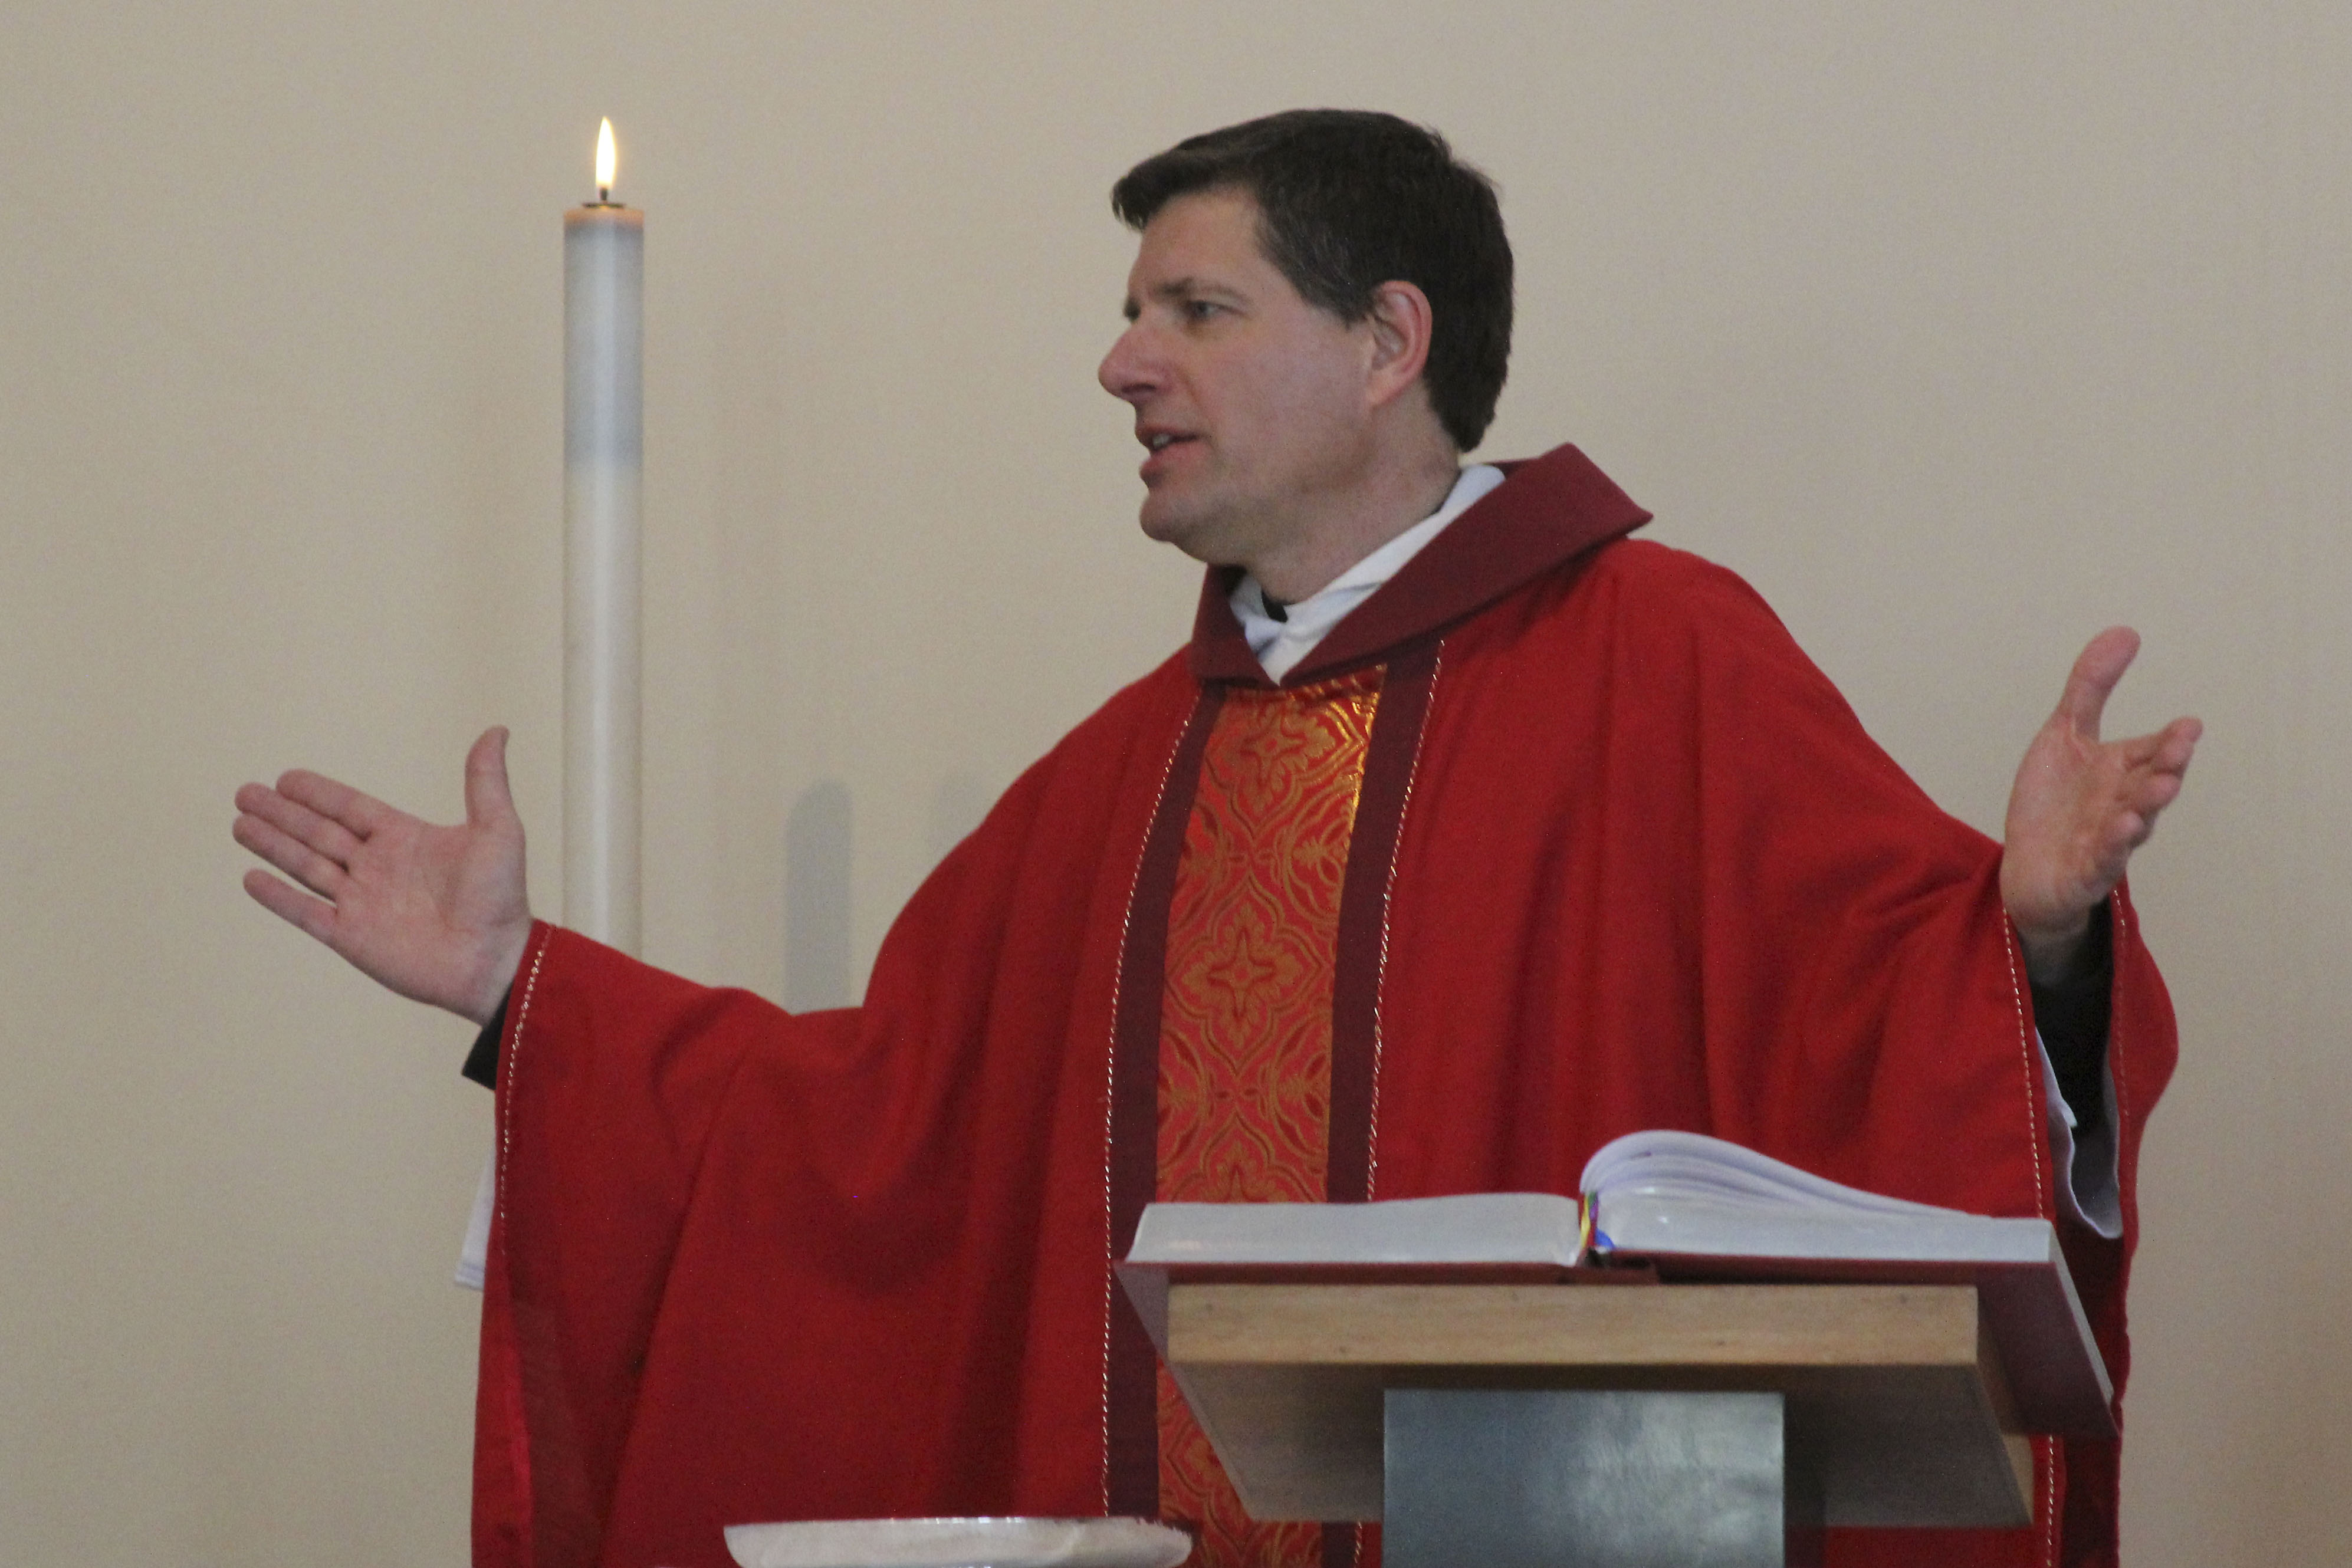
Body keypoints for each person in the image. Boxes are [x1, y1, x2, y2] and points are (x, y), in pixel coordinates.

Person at [232, 111, 2199, 1568]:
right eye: (1126, 314)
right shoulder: (1119, 778)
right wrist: (518, 984)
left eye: (1195, 307)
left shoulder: (1661, 662)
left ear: (1384, 340)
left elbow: (1888, 1032)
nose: (1120, 363)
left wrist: (2023, 939)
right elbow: (864, 1135)